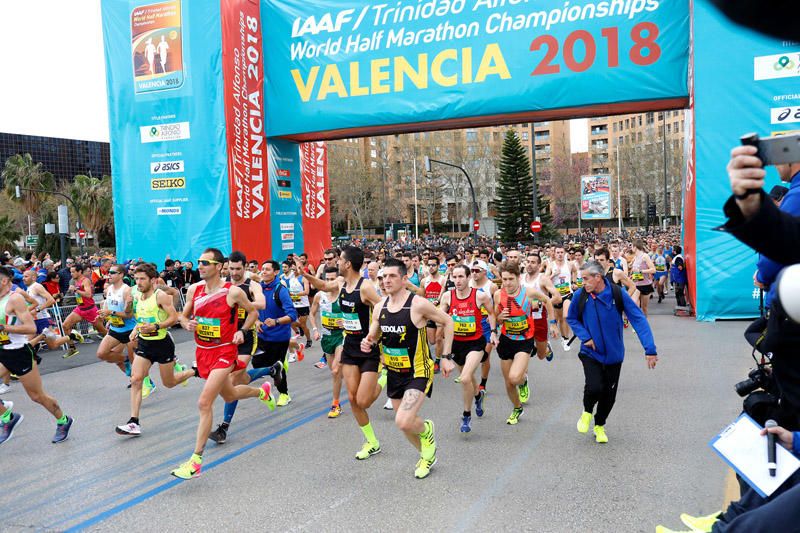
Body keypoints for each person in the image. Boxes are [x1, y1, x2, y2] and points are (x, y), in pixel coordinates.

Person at [172, 248, 276, 479]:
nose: (200, 266)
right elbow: (182, 315)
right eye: (199, 262)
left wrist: (241, 331)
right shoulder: (194, 290)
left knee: (204, 403)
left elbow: (253, 313)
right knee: (229, 395)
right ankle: (262, 392)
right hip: (203, 352)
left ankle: (195, 461)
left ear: (219, 266)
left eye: (205, 262)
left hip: (224, 353)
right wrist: (185, 323)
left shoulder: (233, 292)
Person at [362, 257, 455, 479]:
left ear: (404, 279)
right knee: (405, 425)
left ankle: (428, 431)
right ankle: (426, 455)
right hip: (393, 372)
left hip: (418, 371)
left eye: (392, 276)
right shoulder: (380, 307)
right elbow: (374, 335)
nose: (386, 281)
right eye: (383, 277)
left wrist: (446, 356)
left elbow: (448, 321)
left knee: (403, 420)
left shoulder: (417, 304)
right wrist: (369, 342)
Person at [301, 246, 386, 460]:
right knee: (353, 398)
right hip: (349, 345)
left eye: (340, 259)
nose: (336, 262)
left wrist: (375, 336)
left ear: (348, 264)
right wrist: (306, 274)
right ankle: (372, 442)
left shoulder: (365, 287)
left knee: (364, 401)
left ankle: (384, 377)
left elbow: (382, 310)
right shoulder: (340, 283)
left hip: (367, 348)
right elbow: (321, 285)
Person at [567, 261, 658, 443]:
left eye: (585, 279)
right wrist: (585, 337)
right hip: (590, 351)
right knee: (594, 387)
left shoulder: (617, 293)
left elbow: (638, 319)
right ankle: (586, 412)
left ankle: (599, 425)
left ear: (597, 277)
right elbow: (572, 318)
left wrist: (650, 349)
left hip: (614, 355)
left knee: (609, 396)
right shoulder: (581, 295)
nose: (582, 282)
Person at [208, 254, 284, 444]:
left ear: (245, 268)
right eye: (230, 269)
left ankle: (223, 427)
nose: (234, 273)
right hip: (227, 338)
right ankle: (271, 370)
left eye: (238, 269)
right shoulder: (223, 284)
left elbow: (262, 303)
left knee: (233, 380)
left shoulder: (252, 284)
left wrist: (239, 301)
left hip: (247, 337)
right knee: (241, 378)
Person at [115, 264, 195, 437]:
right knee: (136, 379)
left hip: (162, 344)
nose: (138, 282)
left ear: (153, 280)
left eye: (142, 279)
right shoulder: (136, 293)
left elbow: (174, 317)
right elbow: (140, 317)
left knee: (169, 383)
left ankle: (194, 371)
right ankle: (133, 422)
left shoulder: (161, 296)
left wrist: (156, 326)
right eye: (136, 279)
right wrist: (136, 329)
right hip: (144, 344)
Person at [0, 266, 74, 445]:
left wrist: (6, 328)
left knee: (37, 396)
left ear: (4, 281)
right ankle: (7, 417)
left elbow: (31, 328)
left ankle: (63, 420)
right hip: (3, 352)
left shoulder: (15, 299)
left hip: (19, 352)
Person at [494, 261, 558, 425]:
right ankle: (517, 408)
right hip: (506, 340)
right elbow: (495, 315)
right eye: (504, 279)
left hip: (525, 340)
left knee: (514, 377)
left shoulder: (528, 292)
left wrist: (552, 323)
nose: (507, 283)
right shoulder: (498, 295)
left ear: (518, 278)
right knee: (508, 382)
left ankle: (523, 381)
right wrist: (499, 318)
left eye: (511, 279)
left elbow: (548, 301)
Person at [439, 264, 495, 433]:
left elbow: (491, 313)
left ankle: (466, 415)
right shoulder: (447, 297)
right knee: (469, 378)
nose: (457, 280)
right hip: (457, 344)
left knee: (464, 379)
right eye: (454, 277)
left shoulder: (480, 296)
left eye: (461, 277)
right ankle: (478, 396)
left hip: (475, 343)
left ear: (469, 277)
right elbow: (441, 317)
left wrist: (492, 332)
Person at [309, 266, 345, 418]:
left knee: (336, 370)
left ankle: (335, 404)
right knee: (335, 373)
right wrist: (315, 329)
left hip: (342, 336)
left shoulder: (344, 295)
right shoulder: (319, 296)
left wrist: (347, 321)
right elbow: (312, 313)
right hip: (327, 336)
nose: (330, 282)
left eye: (333, 279)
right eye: (327, 279)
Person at [22, 269, 78, 357]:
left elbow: (51, 300)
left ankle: (73, 335)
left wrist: (37, 310)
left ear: (33, 277)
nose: (23, 278)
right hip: (33, 321)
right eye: (23, 276)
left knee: (53, 345)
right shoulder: (28, 288)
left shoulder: (37, 286)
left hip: (43, 320)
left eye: (26, 276)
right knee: (26, 344)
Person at [96, 265, 137, 376]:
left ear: (121, 275)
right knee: (102, 354)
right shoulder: (109, 289)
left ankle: (144, 383)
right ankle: (125, 359)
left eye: (113, 272)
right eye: (109, 272)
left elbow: (129, 315)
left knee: (137, 363)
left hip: (129, 330)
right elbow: (108, 307)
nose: (109, 274)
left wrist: (111, 313)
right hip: (115, 329)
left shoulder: (127, 290)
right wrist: (103, 315)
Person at [61, 263, 108, 354]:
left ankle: (117, 343)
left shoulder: (85, 280)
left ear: (79, 272)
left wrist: (75, 290)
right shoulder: (75, 281)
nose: (71, 274)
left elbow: (89, 294)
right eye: (70, 272)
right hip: (80, 309)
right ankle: (72, 348)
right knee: (65, 326)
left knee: (102, 331)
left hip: (90, 310)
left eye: (73, 272)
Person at [546, 246, 578, 351]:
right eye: (558, 252)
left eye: (561, 252)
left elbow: (575, 271)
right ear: (554, 254)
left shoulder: (569, 264)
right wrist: (553, 275)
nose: (560, 254)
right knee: (559, 318)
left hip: (568, 294)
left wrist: (573, 282)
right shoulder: (551, 266)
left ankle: (565, 339)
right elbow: (545, 280)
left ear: (565, 253)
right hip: (556, 296)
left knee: (566, 316)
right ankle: (562, 337)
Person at [630, 240, 657, 316]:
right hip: (636, 285)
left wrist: (641, 271)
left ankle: (644, 325)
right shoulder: (635, 257)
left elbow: (653, 270)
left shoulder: (645, 256)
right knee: (635, 304)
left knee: (644, 308)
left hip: (645, 285)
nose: (631, 248)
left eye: (632, 246)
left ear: (635, 247)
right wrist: (632, 275)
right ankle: (636, 325)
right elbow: (635, 270)